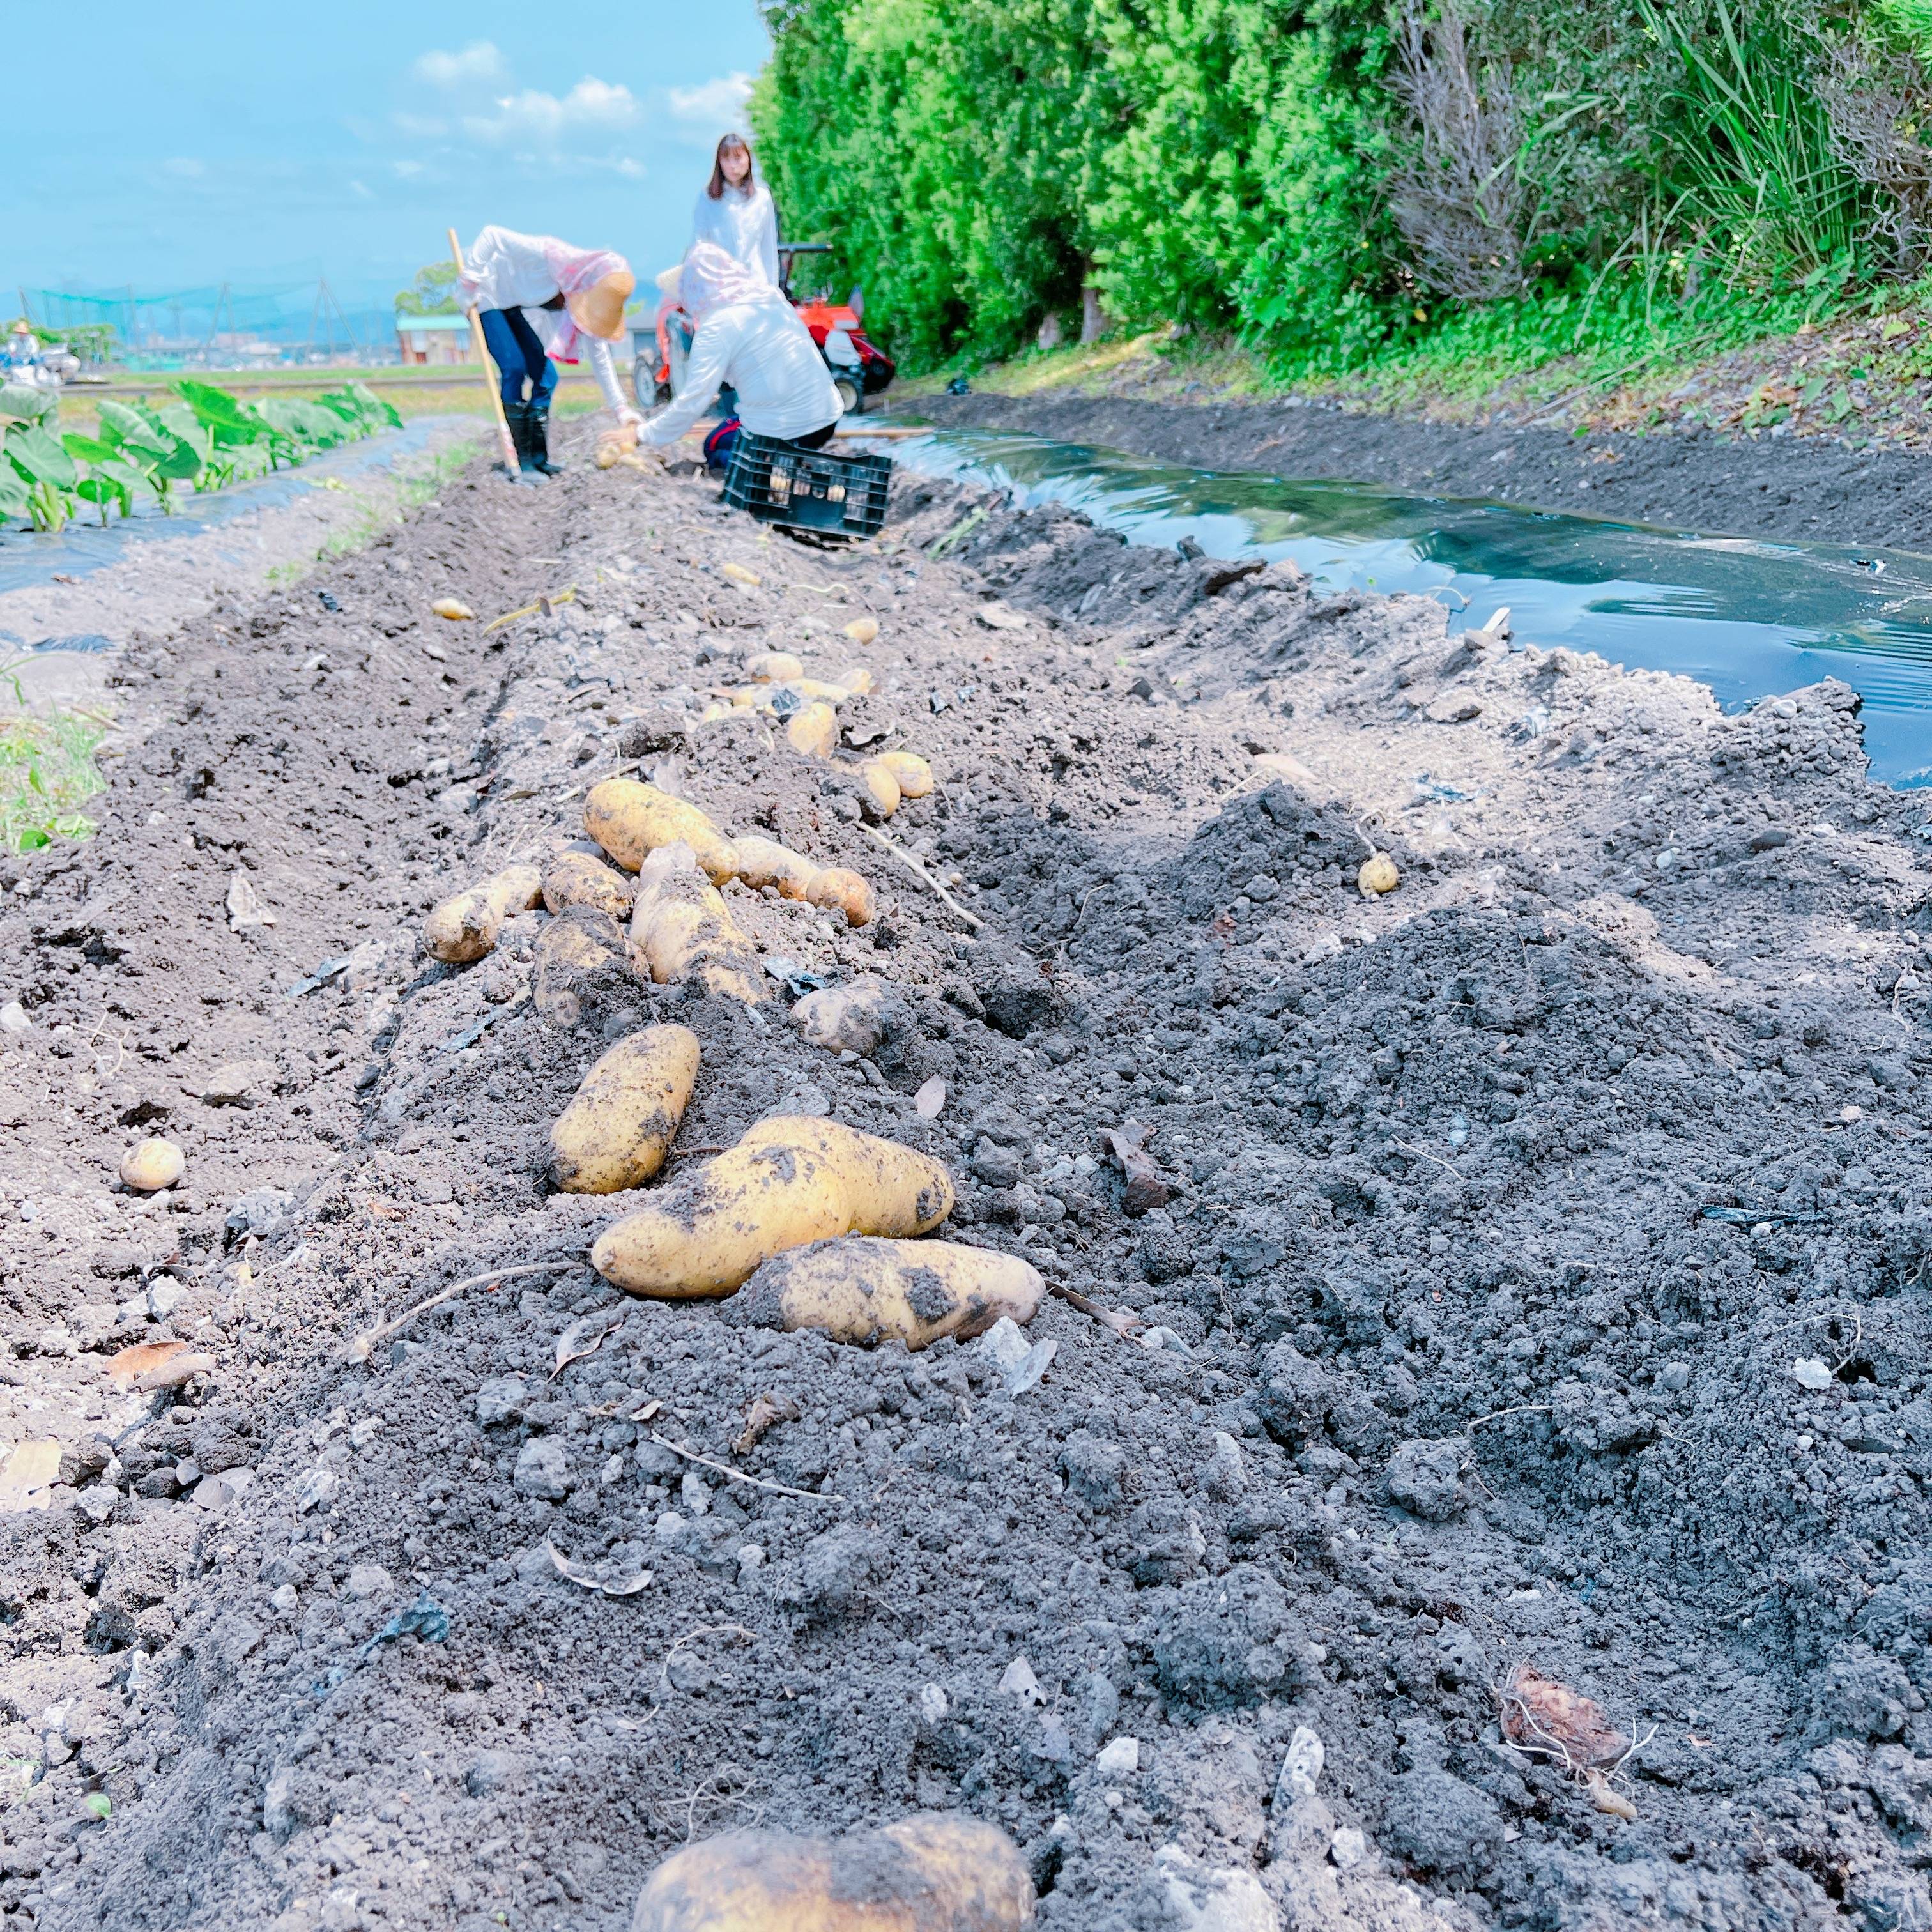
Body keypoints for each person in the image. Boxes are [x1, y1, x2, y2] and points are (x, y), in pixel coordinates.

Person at [636, 243, 842, 471]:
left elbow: (693, 401)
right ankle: (783, 459)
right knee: (733, 424)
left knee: (713, 445)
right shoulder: (771, 299)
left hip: (785, 432)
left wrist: (643, 435)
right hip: (827, 420)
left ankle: (767, 466)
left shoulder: (717, 326)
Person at [457, 226, 642, 478]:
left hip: (511, 304)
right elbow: (491, 236)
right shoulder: (547, 255)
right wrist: (469, 283)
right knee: (514, 368)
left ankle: (538, 460)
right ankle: (521, 463)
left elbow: (600, 356)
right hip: (485, 295)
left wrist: (621, 408)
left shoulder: (580, 293)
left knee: (547, 378)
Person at [690, 134, 779, 287]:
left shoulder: (761, 197)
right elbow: (699, 246)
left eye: (738, 158)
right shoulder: (707, 198)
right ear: (719, 162)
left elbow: (768, 247)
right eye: (726, 159)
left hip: (755, 284)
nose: (733, 165)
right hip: (719, 285)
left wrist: (773, 288)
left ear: (748, 159)